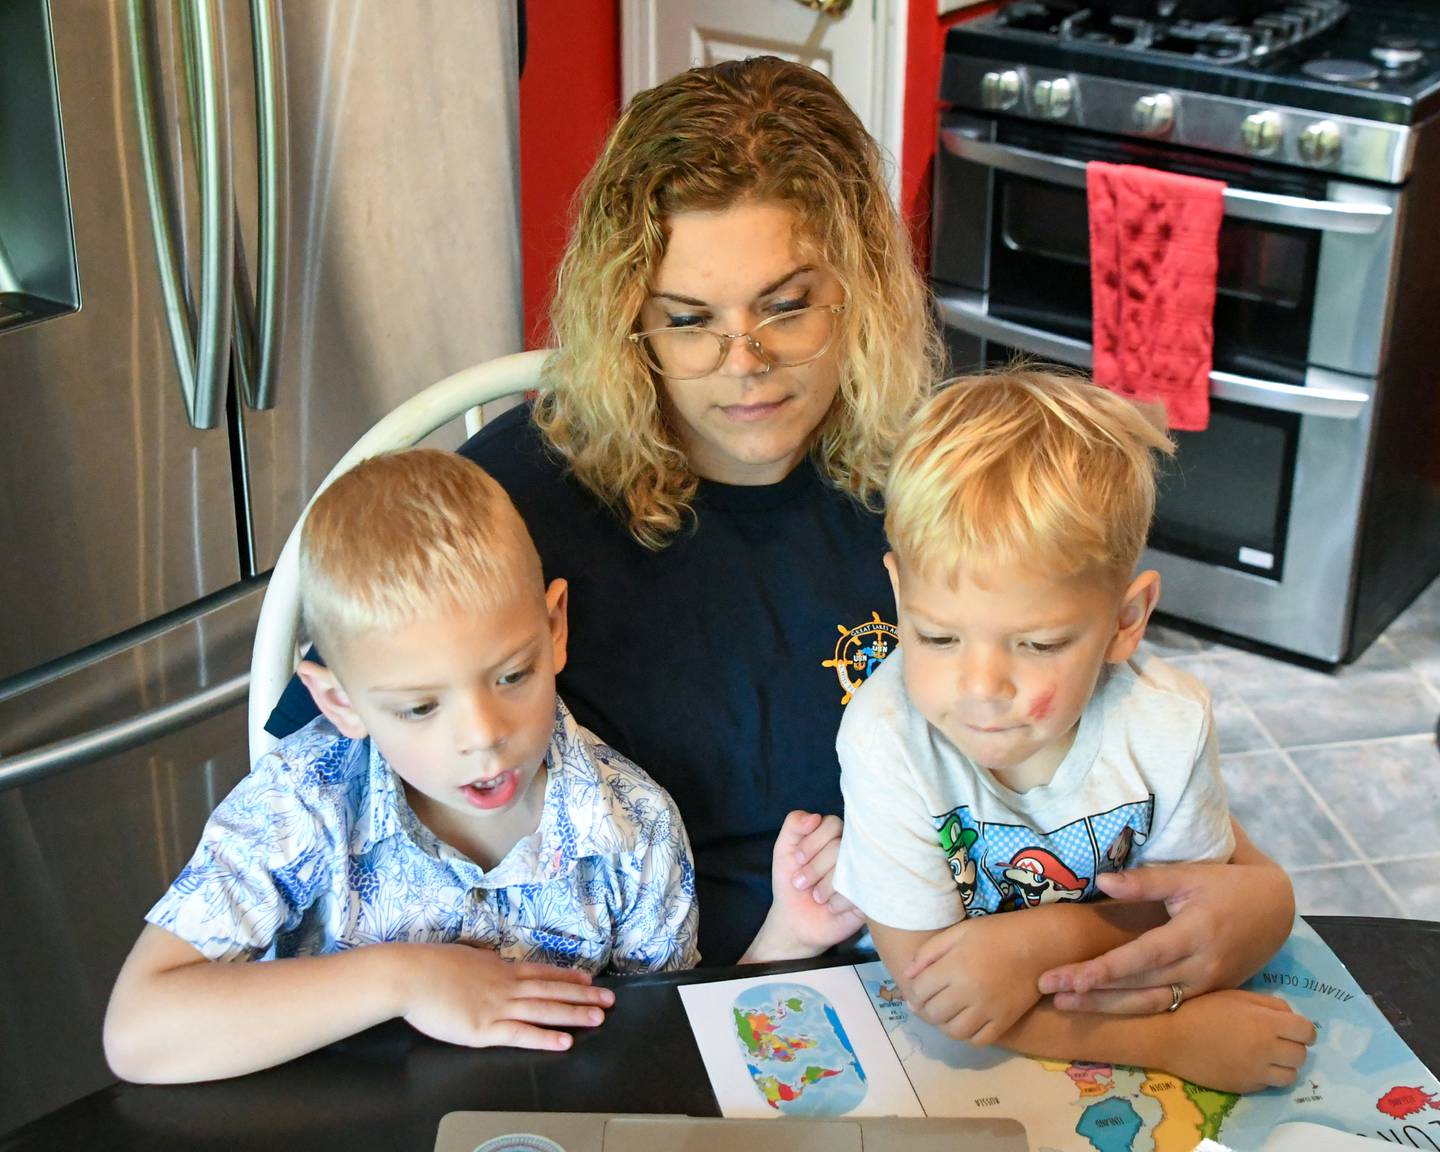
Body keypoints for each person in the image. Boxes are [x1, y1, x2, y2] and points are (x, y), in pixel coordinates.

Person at [264, 57, 1296, 1000]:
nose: (743, 362)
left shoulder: (941, 476)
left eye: (787, 307)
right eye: (687, 319)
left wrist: (1257, 887)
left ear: (861, 288)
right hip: (641, 1001)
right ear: (626, 314)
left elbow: (1101, 741)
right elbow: (328, 811)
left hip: (961, 969)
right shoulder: (502, 511)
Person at [104, 450, 697, 1084]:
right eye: (419, 707)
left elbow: (665, 1047)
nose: (484, 736)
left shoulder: (635, 829)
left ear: (554, 629)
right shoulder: (303, 802)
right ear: (341, 702)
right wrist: (405, 978)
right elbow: (138, 1033)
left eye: (512, 675)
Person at [834, 369, 1315, 1093]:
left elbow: (1200, 924)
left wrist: (1038, 945)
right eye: (937, 637)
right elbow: (935, 990)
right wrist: (1170, 1040)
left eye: (1037, 645)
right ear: (902, 595)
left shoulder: (1166, 726)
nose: (981, 687)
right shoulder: (886, 735)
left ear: (1126, 621)